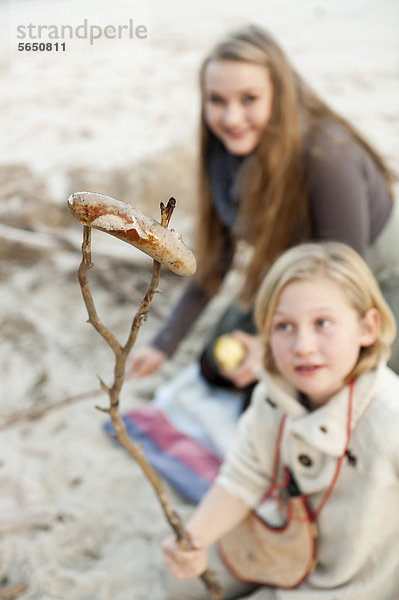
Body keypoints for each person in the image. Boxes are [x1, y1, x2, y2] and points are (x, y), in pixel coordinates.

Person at [130, 23, 399, 405]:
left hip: (368, 290)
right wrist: (163, 346)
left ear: (280, 93)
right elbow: (215, 261)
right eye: (217, 100)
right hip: (296, 279)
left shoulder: (328, 158)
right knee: (215, 365)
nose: (232, 118)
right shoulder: (221, 149)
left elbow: (345, 283)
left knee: (297, 390)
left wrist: (269, 347)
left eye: (249, 98)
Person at [161, 241, 399, 600]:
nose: (303, 345)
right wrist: (193, 540)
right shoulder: (273, 396)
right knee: (181, 583)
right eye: (284, 326)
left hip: (354, 581)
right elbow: (243, 477)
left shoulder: (388, 417)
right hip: (287, 542)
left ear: (367, 327)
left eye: (322, 323)